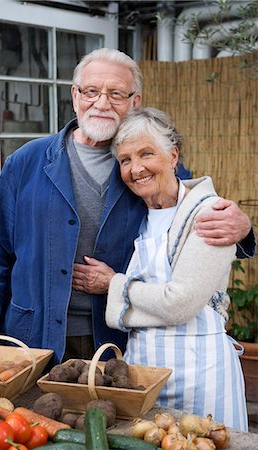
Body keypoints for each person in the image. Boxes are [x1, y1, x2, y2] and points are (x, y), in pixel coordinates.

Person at [0, 48, 255, 365]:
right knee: (29, 416)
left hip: (118, 343)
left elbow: (193, 215)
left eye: (116, 94)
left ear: (134, 102)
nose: (102, 103)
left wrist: (242, 230)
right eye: (92, 91)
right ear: (75, 95)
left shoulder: (149, 166)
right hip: (32, 340)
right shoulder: (27, 161)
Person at [72, 107, 248, 431]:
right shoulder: (136, 213)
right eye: (125, 160)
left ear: (173, 156)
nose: (135, 169)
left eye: (146, 154)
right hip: (144, 373)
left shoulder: (209, 214)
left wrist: (115, 285)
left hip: (201, 372)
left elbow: (180, 303)